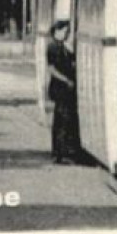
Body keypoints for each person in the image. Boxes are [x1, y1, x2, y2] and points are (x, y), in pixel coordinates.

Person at [46, 19, 80, 164]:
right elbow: (52, 69)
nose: (67, 34)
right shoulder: (53, 47)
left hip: (63, 89)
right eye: (65, 31)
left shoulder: (62, 47)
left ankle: (60, 152)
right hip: (60, 89)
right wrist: (66, 80)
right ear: (57, 31)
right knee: (62, 121)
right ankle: (59, 153)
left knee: (62, 120)